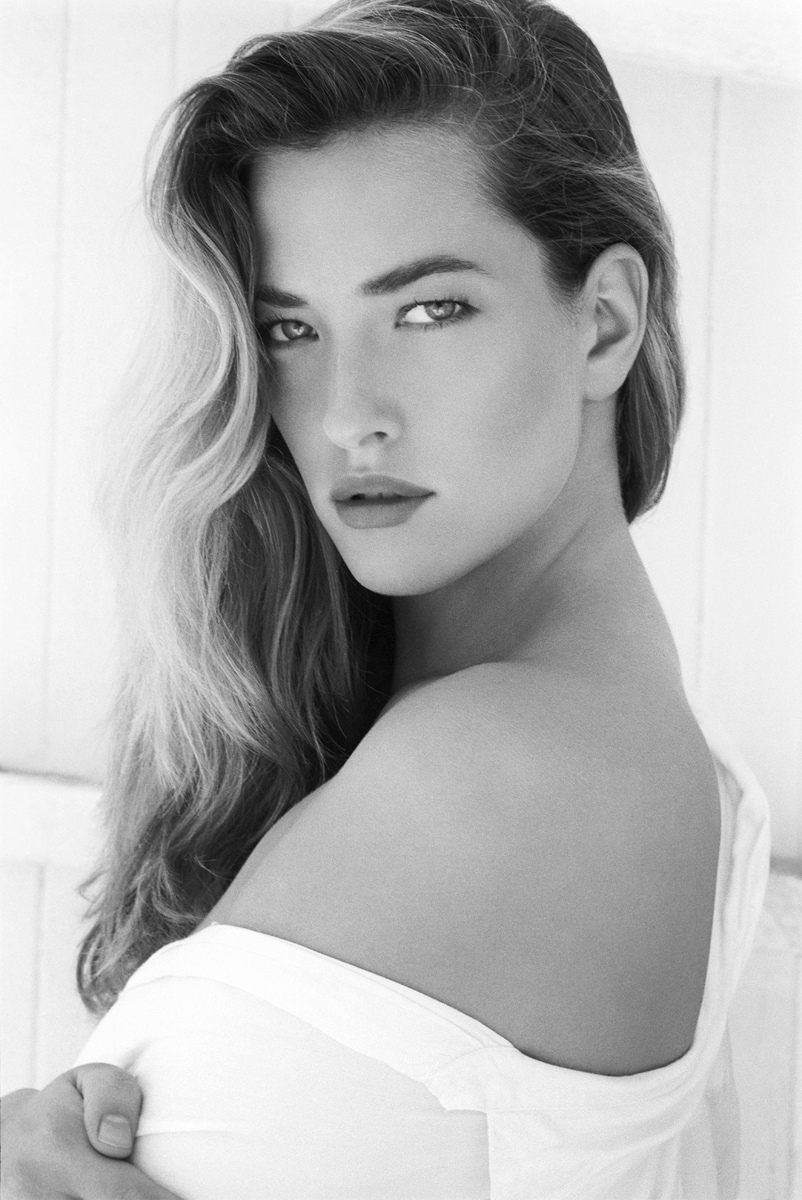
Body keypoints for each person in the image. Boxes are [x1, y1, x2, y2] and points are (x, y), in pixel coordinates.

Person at [1, 0, 771, 1195]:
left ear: (605, 322)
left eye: (427, 309)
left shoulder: (504, 771)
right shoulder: (625, 762)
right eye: (290, 328)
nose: (347, 414)